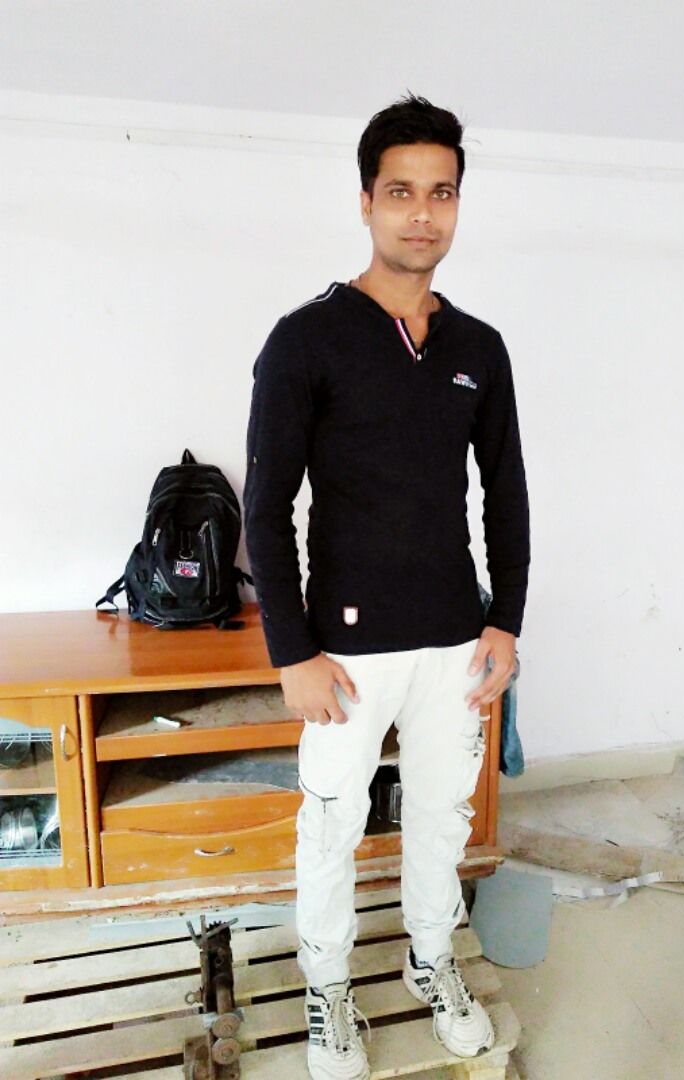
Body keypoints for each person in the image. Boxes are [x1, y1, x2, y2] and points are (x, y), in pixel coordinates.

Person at [244, 92, 530, 1080]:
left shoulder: (479, 349)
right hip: (346, 652)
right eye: (401, 191)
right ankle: (327, 986)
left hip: (455, 640)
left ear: (457, 206)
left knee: (441, 817)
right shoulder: (307, 340)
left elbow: (506, 492)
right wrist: (292, 650)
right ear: (366, 201)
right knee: (331, 821)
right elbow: (266, 506)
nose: (422, 213)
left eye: (441, 192)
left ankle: (429, 958)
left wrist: (505, 621)